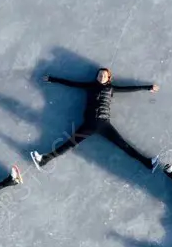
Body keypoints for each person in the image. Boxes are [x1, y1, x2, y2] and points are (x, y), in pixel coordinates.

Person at [30, 67, 161, 171]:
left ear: (108, 78)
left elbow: (129, 88)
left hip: (104, 125)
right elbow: (71, 83)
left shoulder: (111, 89)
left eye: (104, 75)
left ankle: (148, 163)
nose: (101, 77)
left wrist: (148, 87)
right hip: (89, 124)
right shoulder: (90, 86)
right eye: (99, 75)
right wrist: (53, 79)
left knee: (124, 146)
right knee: (70, 143)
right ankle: (44, 159)